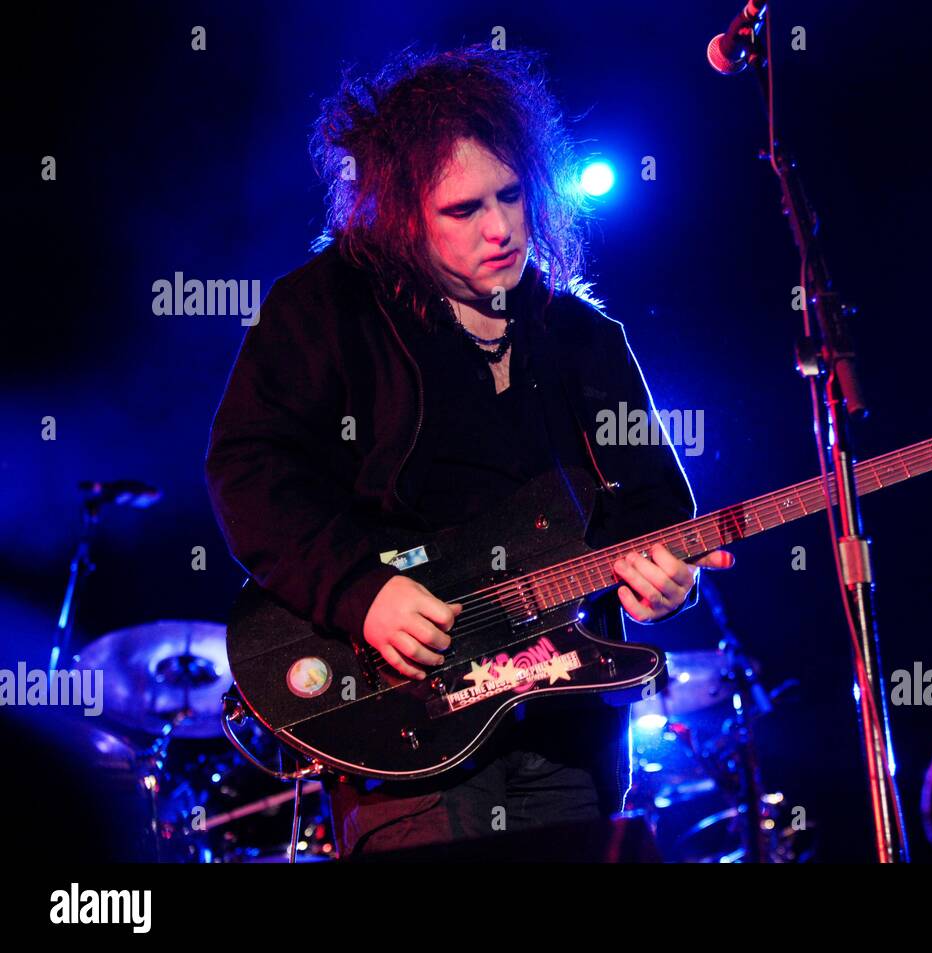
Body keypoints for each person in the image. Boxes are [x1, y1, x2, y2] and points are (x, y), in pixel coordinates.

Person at [204, 44, 733, 859]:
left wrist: (666, 581)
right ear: (399, 213)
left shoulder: (584, 340)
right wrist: (359, 589)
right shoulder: (324, 310)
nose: (500, 228)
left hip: (570, 719)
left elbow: (654, 506)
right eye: (463, 210)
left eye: (512, 195)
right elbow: (250, 470)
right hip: (406, 727)